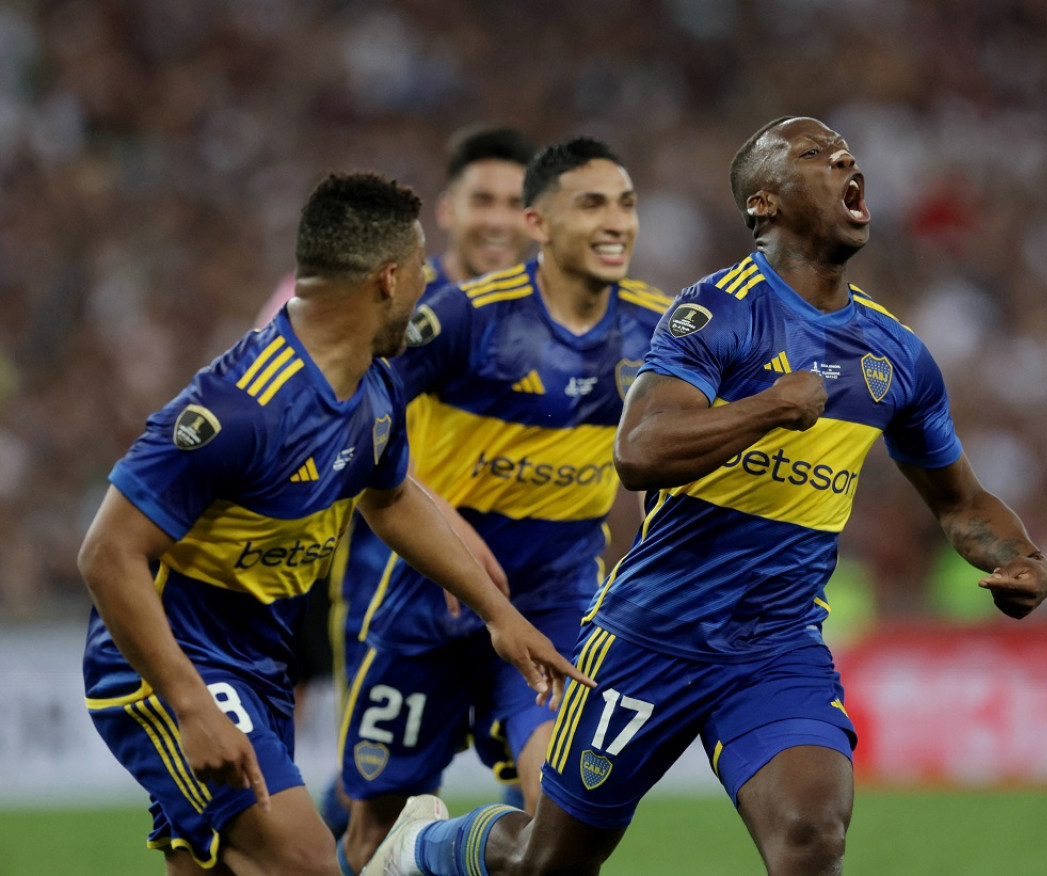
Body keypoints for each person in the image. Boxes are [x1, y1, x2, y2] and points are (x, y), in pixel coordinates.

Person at [364, 116, 1047, 876]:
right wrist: (771, 408)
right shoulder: (714, 312)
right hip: (650, 638)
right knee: (544, 864)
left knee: (811, 836)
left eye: (846, 153)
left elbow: (960, 502)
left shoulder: (897, 354)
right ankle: (421, 850)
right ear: (764, 202)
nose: (844, 158)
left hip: (774, 644)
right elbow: (639, 451)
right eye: (814, 154)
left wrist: (1018, 555)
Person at [79, 170, 588, 875]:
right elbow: (106, 553)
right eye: (417, 270)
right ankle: (426, 857)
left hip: (257, 658)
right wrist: (190, 705)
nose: (425, 287)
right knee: (309, 857)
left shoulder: (371, 388)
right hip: (174, 660)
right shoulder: (239, 408)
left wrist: (498, 614)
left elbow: (392, 497)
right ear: (386, 279)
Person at [338, 136, 668, 875]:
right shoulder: (464, 318)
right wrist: (443, 517)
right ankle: (408, 851)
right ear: (539, 224)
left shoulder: (660, 330)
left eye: (627, 204)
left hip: (556, 605)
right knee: (368, 835)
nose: (617, 222)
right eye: (593, 204)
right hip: (431, 601)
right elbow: (355, 417)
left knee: (559, 833)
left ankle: (433, 854)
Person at [272, 126, 538, 839]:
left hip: (527, 585)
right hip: (386, 579)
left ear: (537, 217)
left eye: (515, 202)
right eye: (483, 198)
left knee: (550, 792)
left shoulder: (559, 316)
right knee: (378, 793)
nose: (497, 217)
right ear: (448, 208)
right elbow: (300, 409)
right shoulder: (382, 301)